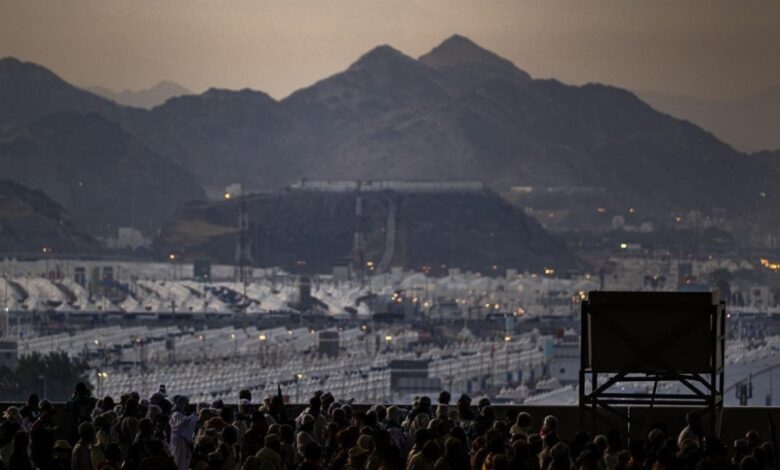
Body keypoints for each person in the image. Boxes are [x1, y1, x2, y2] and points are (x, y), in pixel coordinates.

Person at [169, 397, 198, 470]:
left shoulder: (182, 415)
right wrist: (193, 416)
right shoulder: (176, 414)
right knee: (179, 462)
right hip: (179, 443)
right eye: (186, 404)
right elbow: (183, 424)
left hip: (182, 443)